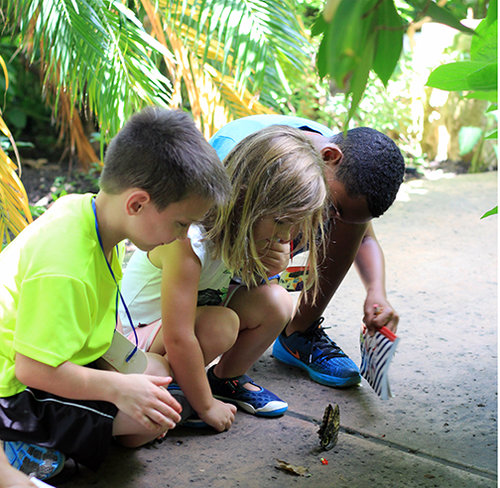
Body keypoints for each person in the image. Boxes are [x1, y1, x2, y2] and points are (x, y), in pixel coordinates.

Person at [0, 107, 231, 480]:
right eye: (180, 223)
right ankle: (18, 441)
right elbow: (33, 367)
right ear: (137, 203)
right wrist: (119, 388)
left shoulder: (89, 215)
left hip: (47, 357)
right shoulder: (66, 263)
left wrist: (130, 372)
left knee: (155, 378)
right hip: (13, 386)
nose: (181, 236)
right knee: (153, 417)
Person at [119, 125, 328, 429]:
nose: (285, 235)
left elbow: (230, 285)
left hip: (176, 330)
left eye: (294, 224)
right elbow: (179, 337)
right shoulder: (188, 239)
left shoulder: (241, 230)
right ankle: (188, 394)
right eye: (281, 221)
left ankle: (223, 380)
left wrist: (269, 268)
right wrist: (206, 408)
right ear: (245, 199)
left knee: (276, 302)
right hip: (132, 341)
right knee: (221, 324)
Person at [209, 114, 405, 388]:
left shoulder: (343, 162)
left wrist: (376, 293)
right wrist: (250, 254)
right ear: (329, 156)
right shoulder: (241, 151)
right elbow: (199, 236)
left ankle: (299, 332)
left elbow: (364, 239)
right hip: (217, 263)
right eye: (332, 209)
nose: (330, 218)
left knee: (351, 223)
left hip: (268, 260)